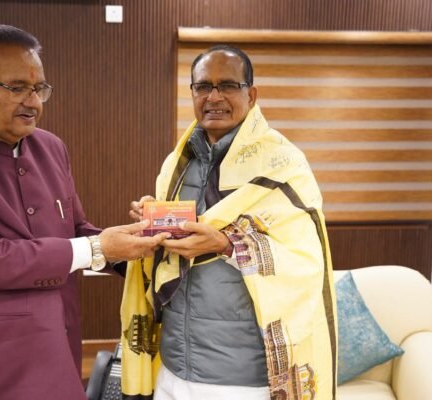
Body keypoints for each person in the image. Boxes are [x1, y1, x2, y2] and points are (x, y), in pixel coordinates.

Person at [0, 24, 167, 400]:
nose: (33, 102)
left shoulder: (51, 148)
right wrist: (99, 247)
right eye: (18, 88)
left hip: (52, 348)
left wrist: (140, 247)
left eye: (39, 89)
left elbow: (75, 230)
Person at [122, 45, 337, 400]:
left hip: (241, 376)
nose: (214, 97)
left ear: (251, 95)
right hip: (175, 363)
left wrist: (225, 244)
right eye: (203, 86)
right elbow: (166, 256)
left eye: (228, 85)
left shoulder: (283, 164)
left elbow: (306, 262)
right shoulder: (178, 163)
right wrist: (153, 217)